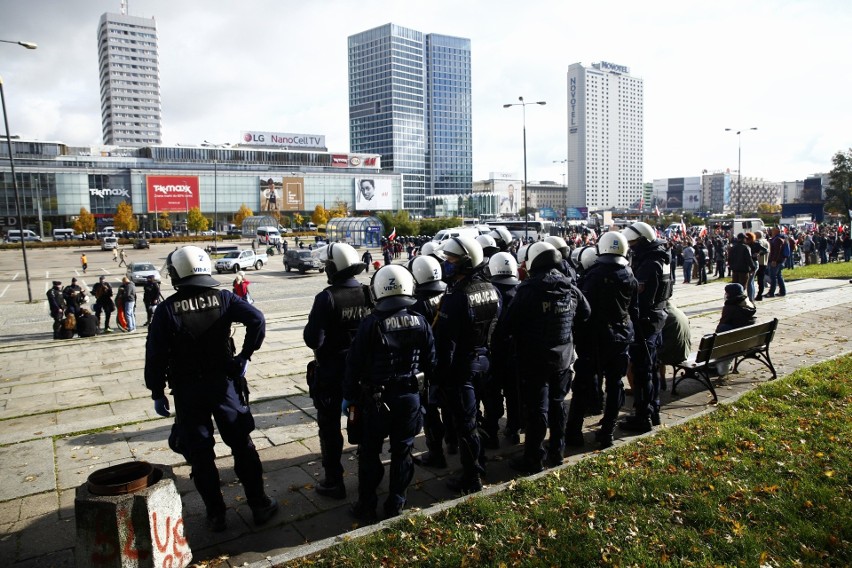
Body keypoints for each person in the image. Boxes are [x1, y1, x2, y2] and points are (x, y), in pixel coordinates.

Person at [145, 245, 278, 533]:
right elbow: (257, 319)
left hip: (188, 391)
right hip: (224, 385)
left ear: (177, 273)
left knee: (200, 455)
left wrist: (157, 391)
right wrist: (244, 355)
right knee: (242, 445)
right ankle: (259, 505)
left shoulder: (167, 310)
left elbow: (155, 355)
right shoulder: (224, 298)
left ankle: (216, 515)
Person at [343, 265, 435, 522]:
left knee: (370, 453)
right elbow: (431, 361)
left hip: (376, 401)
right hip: (409, 397)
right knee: (403, 451)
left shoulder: (371, 323)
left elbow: (354, 364)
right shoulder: (422, 321)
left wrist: (349, 396)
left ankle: (367, 506)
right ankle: (396, 503)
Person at [505, 242, 590, 473]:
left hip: (534, 360)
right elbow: (585, 313)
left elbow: (508, 324)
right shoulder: (570, 287)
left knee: (537, 410)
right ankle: (557, 452)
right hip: (562, 359)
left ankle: (533, 458)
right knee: (558, 405)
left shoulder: (528, 290)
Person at [303, 243, 371, 500]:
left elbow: (313, 340)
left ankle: (334, 481)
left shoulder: (327, 297)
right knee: (365, 426)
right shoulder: (368, 292)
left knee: (329, 428)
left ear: (333, 268)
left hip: (332, 373)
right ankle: (367, 479)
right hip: (363, 372)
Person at [433, 237, 500, 494]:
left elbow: (446, 343)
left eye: (450, 260)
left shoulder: (457, 296)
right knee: (476, 417)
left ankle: (472, 476)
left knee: (466, 424)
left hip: (462, 366)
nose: (446, 264)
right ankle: (480, 461)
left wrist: (439, 377)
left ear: (465, 263)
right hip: (483, 360)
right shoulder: (490, 288)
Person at [565, 232, 636, 450]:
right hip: (621, 336)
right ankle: (607, 433)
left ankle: (574, 433)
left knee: (583, 386)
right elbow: (633, 308)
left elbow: (583, 310)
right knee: (615, 385)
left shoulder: (594, 275)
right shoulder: (628, 274)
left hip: (595, 339)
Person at [620, 221, 672, 433]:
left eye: (633, 243)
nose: (631, 247)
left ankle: (643, 417)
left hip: (645, 323)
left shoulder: (650, 264)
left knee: (643, 372)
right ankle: (653, 411)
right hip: (657, 318)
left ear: (642, 240)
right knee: (650, 368)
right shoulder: (662, 258)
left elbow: (640, 298)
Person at [408, 255, 455, 468]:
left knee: (430, 410)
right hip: (452, 358)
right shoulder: (450, 291)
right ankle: (453, 442)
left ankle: (436, 452)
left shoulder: (417, 304)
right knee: (450, 404)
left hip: (429, 364)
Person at [482, 252, 522, 448]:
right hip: (515, 352)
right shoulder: (521, 290)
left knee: (492, 395)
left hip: (494, 352)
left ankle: (491, 432)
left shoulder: (489, 292)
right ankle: (513, 429)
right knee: (514, 394)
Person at [657, 300, 692, 392]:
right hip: (685, 350)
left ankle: (636, 388)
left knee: (640, 355)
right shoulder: (678, 311)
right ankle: (662, 379)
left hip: (674, 353)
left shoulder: (664, 315)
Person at [766, 227, 787, 298]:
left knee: (773, 277)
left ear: (776, 231)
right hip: (778, 261)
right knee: (778, 276)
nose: (771, 231)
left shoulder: (777, 240)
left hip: (776, 261)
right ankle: (782, 291)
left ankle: (771, 292)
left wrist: (774, 260)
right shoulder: (776, 239)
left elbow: (777, 251)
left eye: (772, 230)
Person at [753, 231, 770, 301]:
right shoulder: (766, 242)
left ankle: (755, 294)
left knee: (753, 279)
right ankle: (760, 294)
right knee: (761, 280)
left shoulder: (759, 242)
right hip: (765, 262)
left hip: (758, 262)